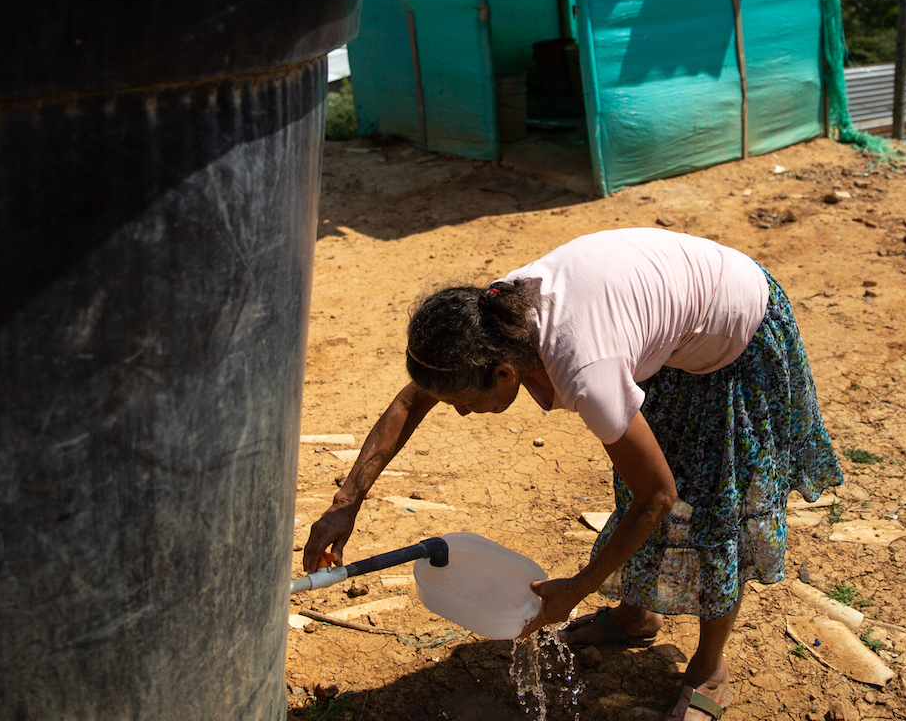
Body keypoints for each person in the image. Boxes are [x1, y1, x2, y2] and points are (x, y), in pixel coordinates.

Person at [303, 228, 842, 721]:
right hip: (674, 328)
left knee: (709, 509)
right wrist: (346, 501)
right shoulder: (489, 319)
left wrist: (577, 590)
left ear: (505, 373)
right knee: (635, 469)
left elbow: (657, 496)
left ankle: (709, 667)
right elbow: (412, 398)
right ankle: (637, 617)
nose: (461, 413)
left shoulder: (585, 369)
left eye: (464, 401)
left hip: (735, 331)